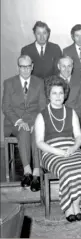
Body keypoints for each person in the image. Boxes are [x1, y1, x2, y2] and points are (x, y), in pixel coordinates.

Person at [34, 76, 81, 222]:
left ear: (65, 95)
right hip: (51, 152)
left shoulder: (71, 113)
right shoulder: (42, 115)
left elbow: (79, 137)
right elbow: (39, 142)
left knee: (79, 165)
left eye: (60, 93)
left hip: (71, 148)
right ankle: (68, 207)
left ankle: (77, 205)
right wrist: (58, 152)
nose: (58, 96)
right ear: (48, 95)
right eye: (54, 93)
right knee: (65, 168)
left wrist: (73, 148)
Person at [2, 55, 46, 191]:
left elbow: (42, 106)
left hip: (34, 120)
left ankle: (36, 172)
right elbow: (6, 107)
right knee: (23, 130)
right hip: (15, 122)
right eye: (22, 67)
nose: (26, 70)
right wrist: (19, 121)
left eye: (28, 67)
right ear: (18, 67)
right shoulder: (9, 83)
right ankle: (27, 170)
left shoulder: (39, 82)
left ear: (32, 67)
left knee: (35, 132)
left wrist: (34, 122)